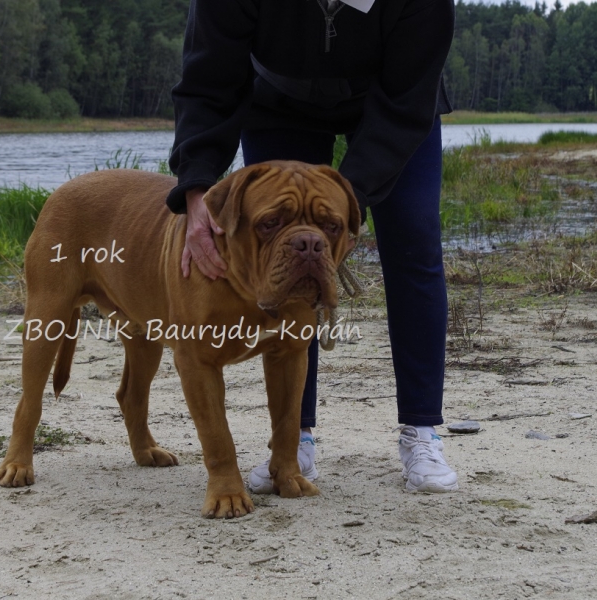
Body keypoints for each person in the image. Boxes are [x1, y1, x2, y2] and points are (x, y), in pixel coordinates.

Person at [166, 0, 459, 493]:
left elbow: (406, 100)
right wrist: (195, 187)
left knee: (414, 242)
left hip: (394, 100)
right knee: (285, 258)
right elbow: (208, 80)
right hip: (278, 100)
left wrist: (344, 211)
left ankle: (421, 429)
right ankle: (294, 441)